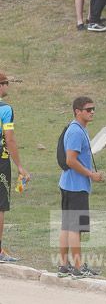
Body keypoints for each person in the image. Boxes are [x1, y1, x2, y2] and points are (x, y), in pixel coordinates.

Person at [57, 96, 103, 278]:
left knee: (67, 226)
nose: (92, 112)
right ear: (77, 111)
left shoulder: (77, 128)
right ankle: (77, 268)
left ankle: (63, 266)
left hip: (68, 184)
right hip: (76, 186)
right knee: (75, 228)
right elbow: (70, 160)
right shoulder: (76, 132)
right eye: (88, 109)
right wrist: (91, 174)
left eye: (93, 109)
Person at [0, 73, 28, 263]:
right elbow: (9, 138)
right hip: (1, 160)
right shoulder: (6, 109)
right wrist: (19, 166)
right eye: (6, 83)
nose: (7, 87)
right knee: (0, 206)